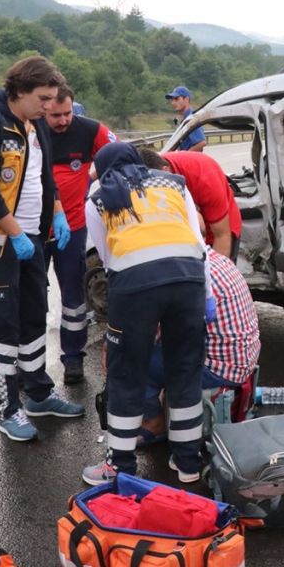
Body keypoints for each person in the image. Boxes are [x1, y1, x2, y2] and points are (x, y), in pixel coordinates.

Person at [0, 56, 84, 443]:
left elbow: (45, 174)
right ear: (20, 90)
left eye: (52, 99)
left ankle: (39, 393)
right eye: (42, 98)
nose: (48, 106)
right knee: (3, 325)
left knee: (34, 315)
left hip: (32, 239)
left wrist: (55, 211)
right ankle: (8, 408)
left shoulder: (35, 124)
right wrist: (14, 233)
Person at [81, 142, 213, 486]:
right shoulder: (175, 184)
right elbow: (198, 243)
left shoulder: (98, 198)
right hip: (189, 281)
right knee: (185, 373)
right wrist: (207, 296)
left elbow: (108, 259)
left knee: (127, 375)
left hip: (134, 284)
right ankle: (188, 464)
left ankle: (120, 467)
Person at [136, 244, 260, 446]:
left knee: (136, 361)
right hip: (244, 358)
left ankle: (154, 423)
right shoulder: (217, 260)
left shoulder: (185, 272)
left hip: (221, 368)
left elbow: (154, 331)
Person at [44, 84, 115, 384]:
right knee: (33, 299)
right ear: (42, 109)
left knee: (74, 298)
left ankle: (73, 359)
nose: (63, 120)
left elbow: (118, 155)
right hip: (31, 232)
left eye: (67, 113)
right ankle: (28, 367)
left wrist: (89, 177)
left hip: (71, 229)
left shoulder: (90, 130)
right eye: (55, 115)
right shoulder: (30, 130)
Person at [139, 148, 242, 261]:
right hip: (187, 234)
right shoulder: (148, 175)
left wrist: (217, 272)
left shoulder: (203, 177)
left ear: (166, 170)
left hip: (218, 231)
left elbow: (222, 236)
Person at [166, 85, 205, 152]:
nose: (173, 103)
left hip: (191, 161)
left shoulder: (191, 118)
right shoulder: (184, 118)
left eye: (176, 99)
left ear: (186, 99)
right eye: (172, 100)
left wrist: (184, 158)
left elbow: (201, 143)